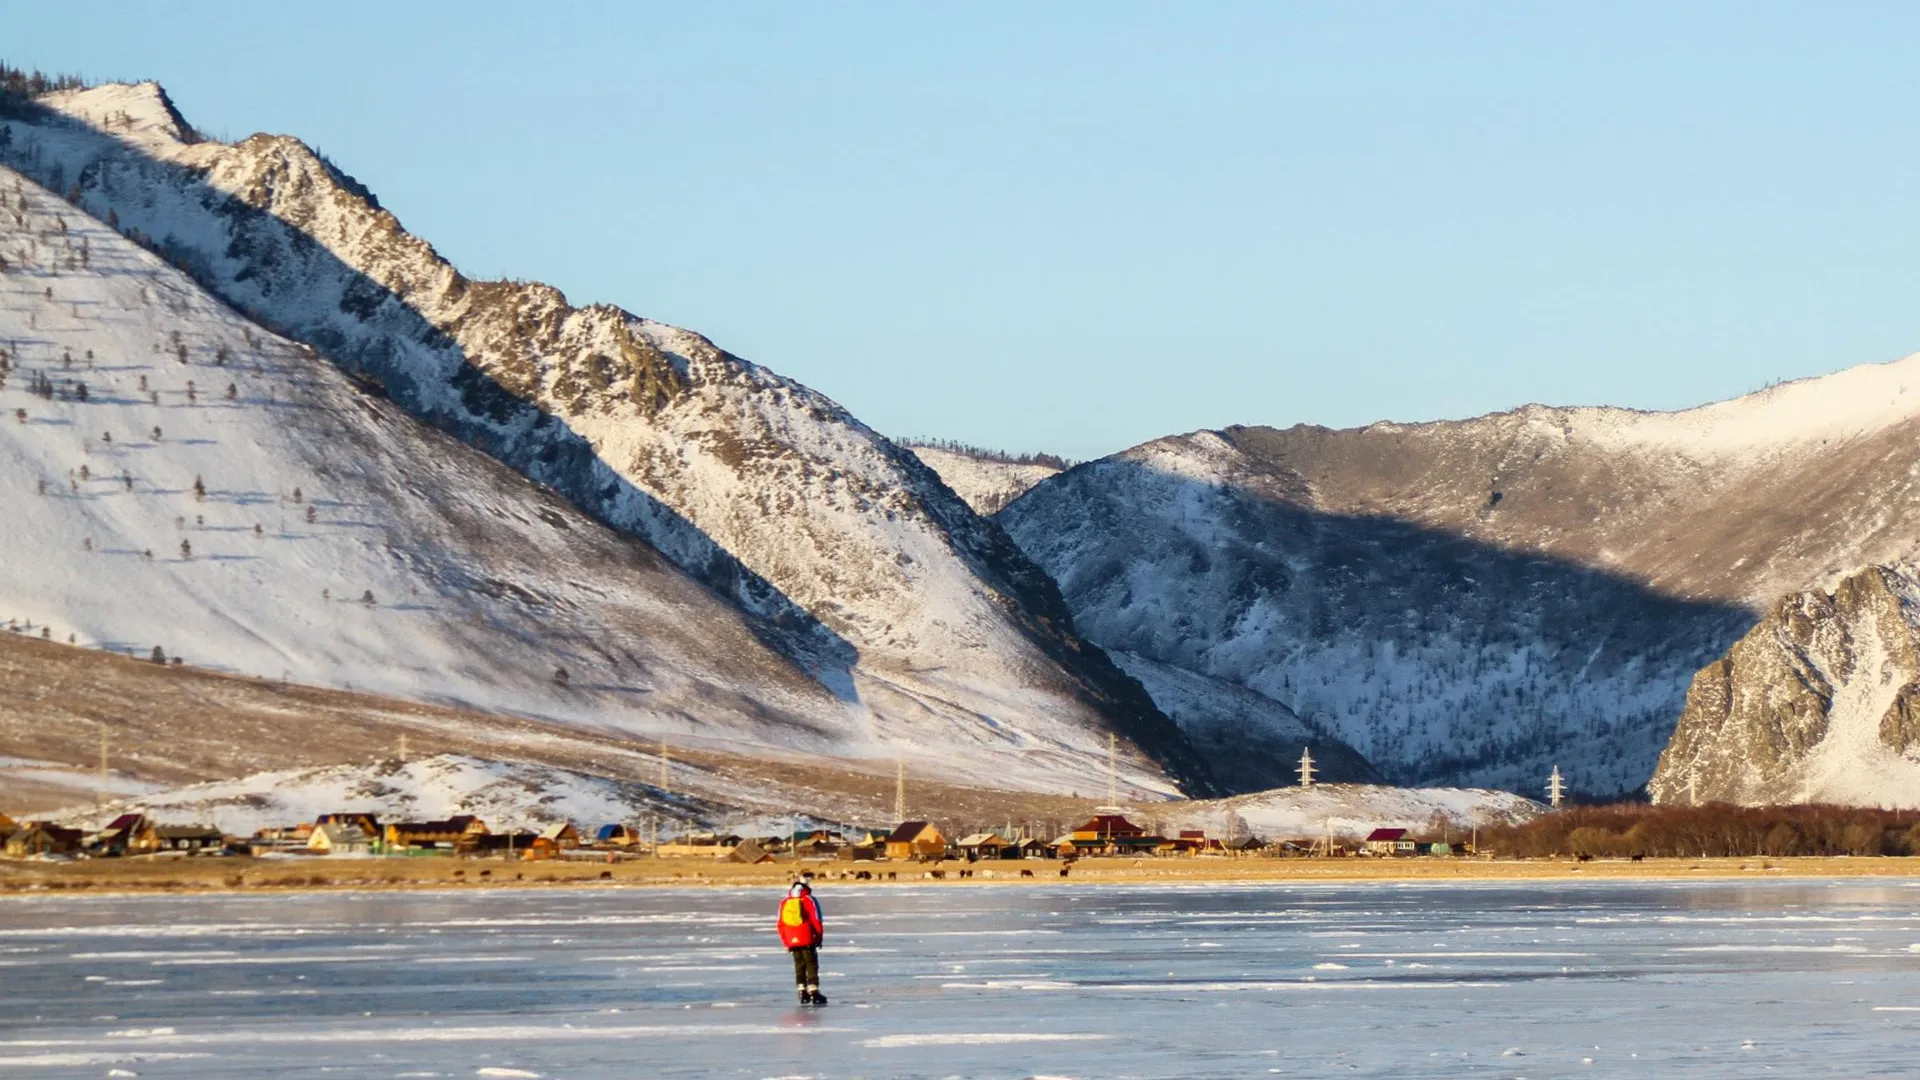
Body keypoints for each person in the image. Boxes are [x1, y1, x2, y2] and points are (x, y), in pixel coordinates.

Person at [776, 879, 827, 1005]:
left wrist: (786, 941)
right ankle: (814, 992)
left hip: (791, 938)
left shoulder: (785, 901)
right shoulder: (809, 900)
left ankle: (802, 991)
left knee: (798, 964)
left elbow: (780, 923)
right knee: (811, 964)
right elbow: (816, 920)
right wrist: (819, 937)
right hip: (806, 936)